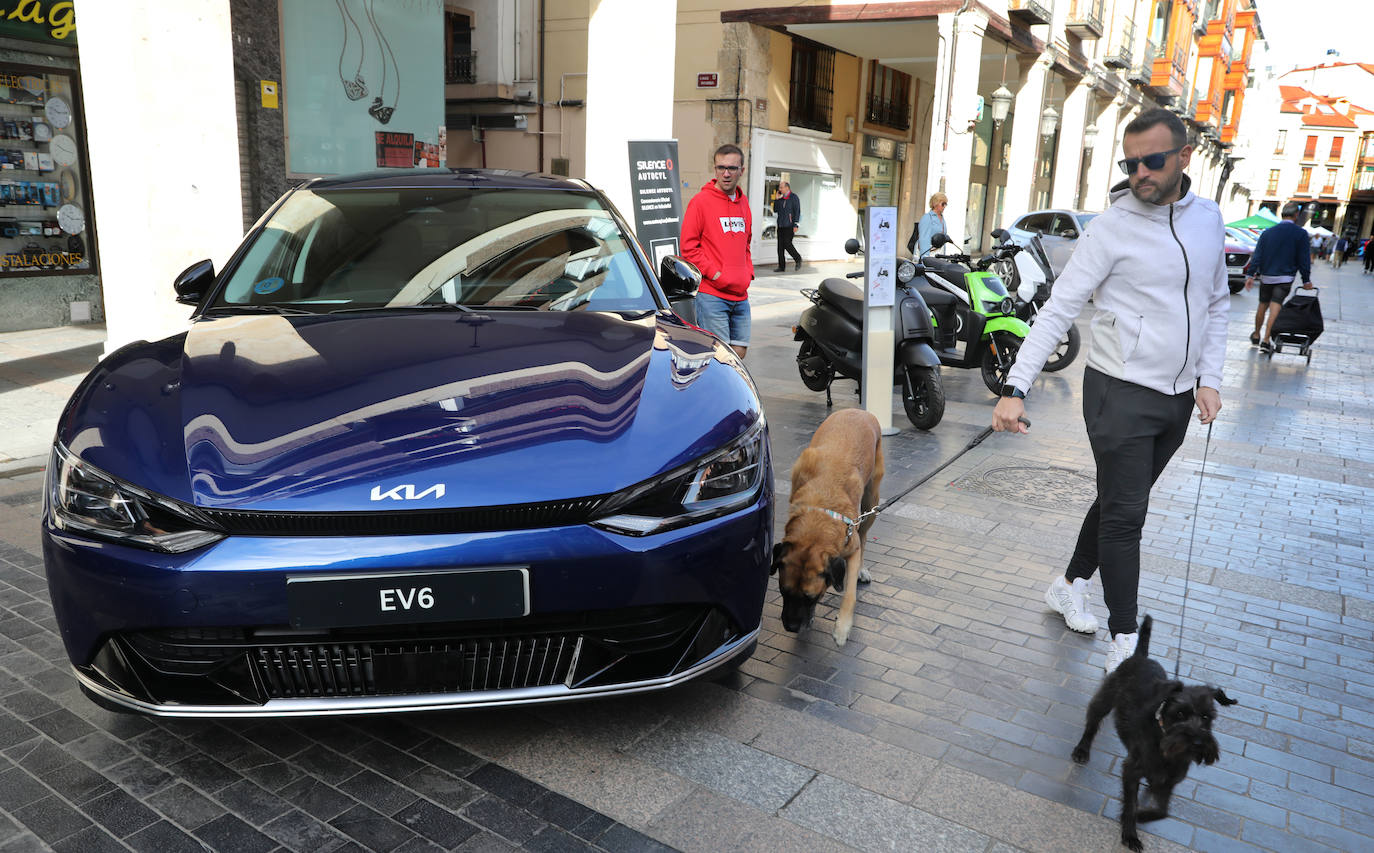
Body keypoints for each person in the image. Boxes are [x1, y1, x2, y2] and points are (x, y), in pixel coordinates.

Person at [990, 108, 1229, 674]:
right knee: (1127, 516)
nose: (1140, 172)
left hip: (1176, 399)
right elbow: (1059, 309)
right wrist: (1014, 385)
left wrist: (1211, 378)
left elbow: (1217, 302)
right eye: (1131, 162)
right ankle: (1125, 643)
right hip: (1117, 391)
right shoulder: (1112, 226)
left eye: (1152, 160)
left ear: (1183, 158)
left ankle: (1068, 583)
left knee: (1119, 502)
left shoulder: (1209, 219)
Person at [681, 143, 754, 358]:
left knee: (738, 353)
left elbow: (746, 243)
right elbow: (688, 248)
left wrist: (747, 272)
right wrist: (716, 274)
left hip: (741, 294)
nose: (726, 173)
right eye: (721, 167)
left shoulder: (743, 203)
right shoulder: (700, 202)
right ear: (715, 169)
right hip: (713, 295)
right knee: (721, 357)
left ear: (742, 170)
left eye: (732, 168)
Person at [1243, 202, 1313, 348]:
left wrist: (1250, 275)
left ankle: (1256, 334)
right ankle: (1266, 339)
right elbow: (1304, 259)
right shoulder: (1300, 233)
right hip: (1285, 278)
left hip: (1267, 276)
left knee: (1262, 304)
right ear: (1296, 215)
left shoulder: (1268, 232)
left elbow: (1258, 255)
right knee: (1276, 305)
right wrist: (1306, 280)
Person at [772, 181, 802, 272]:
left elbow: (797, 211)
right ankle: (781, 267)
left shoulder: (794, 197)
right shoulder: (781, 200)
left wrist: (796, 224)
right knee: (780, 247)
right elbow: (775, 210)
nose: (779, 189)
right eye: (779, 188)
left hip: (789, 226)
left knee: (787, 244)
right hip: (780, 226)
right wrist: (776, 199)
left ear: (787, 188)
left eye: (781, 187)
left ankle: (798, 258)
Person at [907, 192, 948, 257]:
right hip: (929, 253)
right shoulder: (927, 217)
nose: (945, 206)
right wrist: (925, 258)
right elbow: (923, 239)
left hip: (939, 254)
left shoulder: (942, 219)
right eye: (943, 204)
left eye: (946, 204)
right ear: (935, 203)